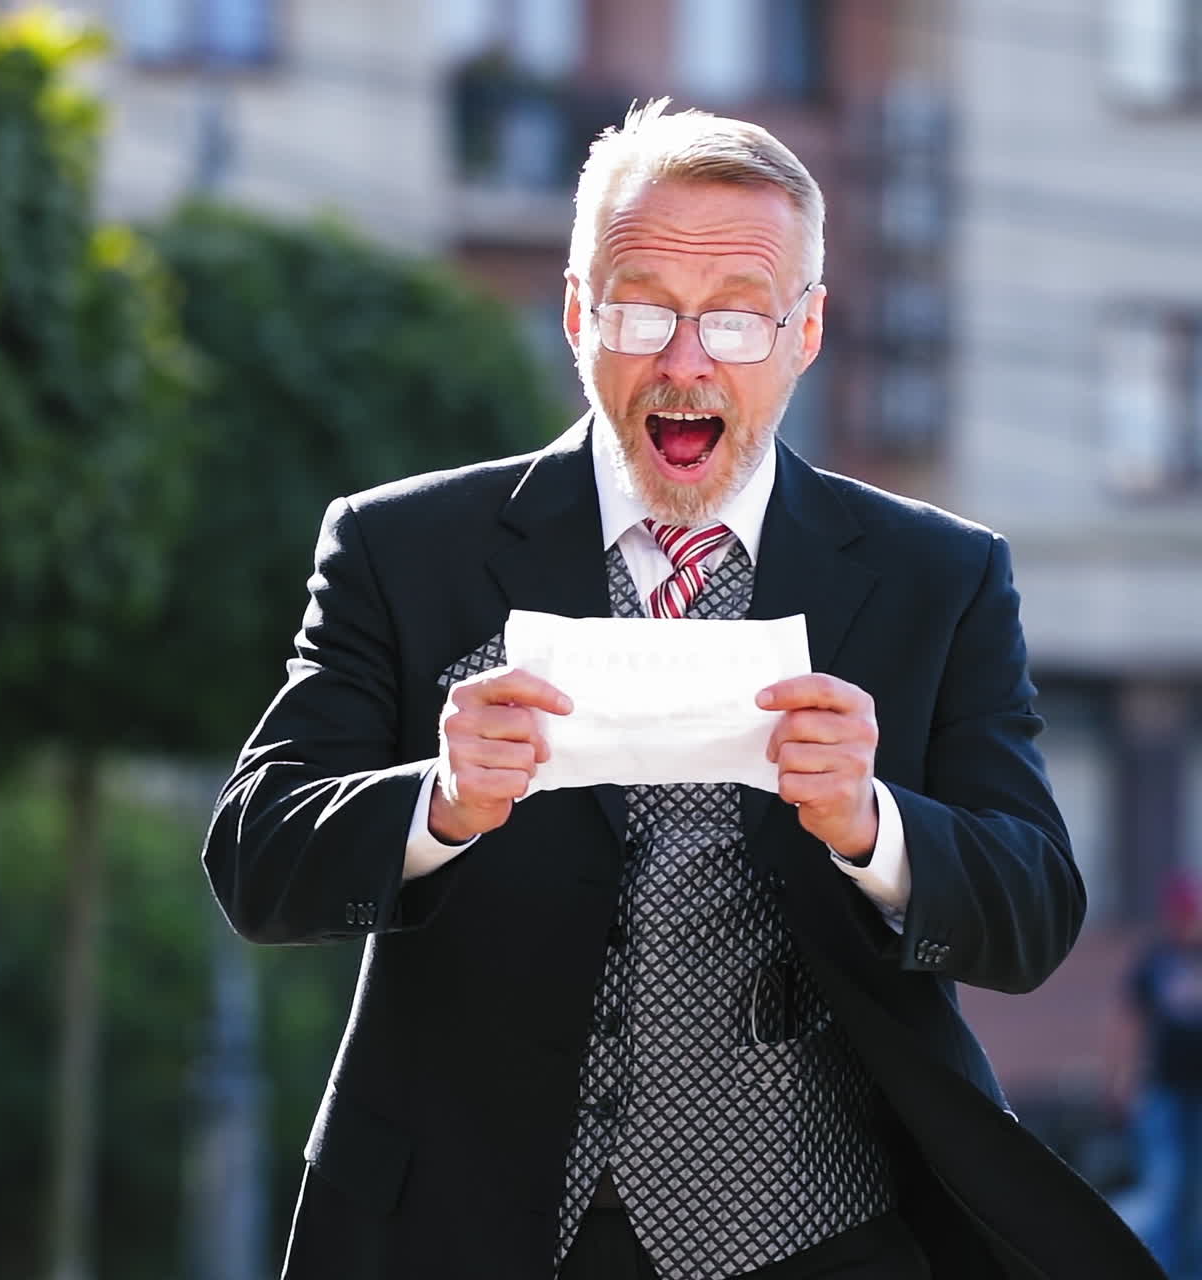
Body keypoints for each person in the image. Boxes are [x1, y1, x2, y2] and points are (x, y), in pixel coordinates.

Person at [202, 101, 1163, 1279]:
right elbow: (255, 857)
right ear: (574, 315)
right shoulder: (403, 549)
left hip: (823, 1237)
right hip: (466, 1224)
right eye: (641, 306)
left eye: (735, 318)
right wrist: (436, 800)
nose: (685, 357)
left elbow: (1033, 911)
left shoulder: (939, 577)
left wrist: (876, 827)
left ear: (803, 331)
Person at [1109, 871, 1202, 1277]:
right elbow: (1131, 1022)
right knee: (1165, 1187)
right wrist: (1124, 1078)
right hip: (1165, 1091)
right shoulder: (1157, 959)